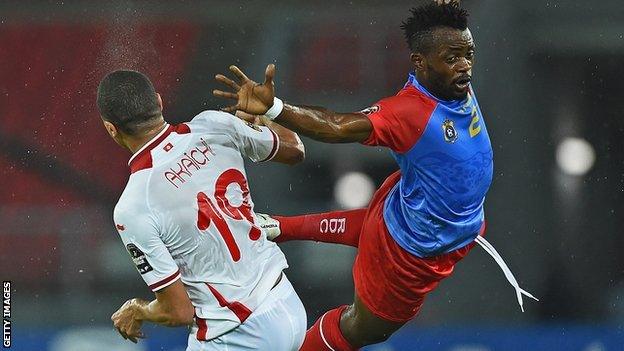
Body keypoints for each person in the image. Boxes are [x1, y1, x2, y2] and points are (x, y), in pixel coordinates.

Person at [213, 2, 537, 350]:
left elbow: (444, 35)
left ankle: (278, 227)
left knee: (378, 224)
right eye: (452, 57)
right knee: (363, 330)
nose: (465, 67)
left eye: (468, 54)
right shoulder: (410, 112)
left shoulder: (451, 83)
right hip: (412, 256)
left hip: (426, 209)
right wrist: (277, 108)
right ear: (420, 62)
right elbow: (337, 127)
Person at [97, 69, 308, 350]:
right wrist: (269, 110)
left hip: (239, 334)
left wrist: (138, 309)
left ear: (112, 129)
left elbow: (178, 312)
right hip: (288, 303)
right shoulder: (215, 124)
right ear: (159, 102)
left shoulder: (133, 206)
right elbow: (295, 150)